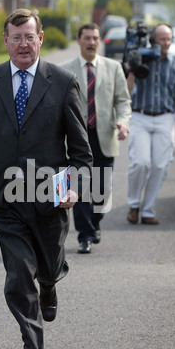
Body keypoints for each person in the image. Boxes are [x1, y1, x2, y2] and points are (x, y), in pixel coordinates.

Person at [0, 9, 93, 349]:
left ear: (41, 38)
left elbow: (81, 152)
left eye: (29, 37)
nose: (22, 44)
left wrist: (74, 188)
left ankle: (50, 284)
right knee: (18, 275)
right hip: (3, 201)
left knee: (46, 268)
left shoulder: (63, 82)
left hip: (50, 200)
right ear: (6, 41)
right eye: (15, 37)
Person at [62, 24, 131, 254]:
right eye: (87, 38)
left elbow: (123, 101)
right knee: (80, 187)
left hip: (104, 136)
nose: (92, 42)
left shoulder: (113, 68)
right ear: (79, 40)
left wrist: (123, 122)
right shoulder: (64, 70)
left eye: (95, 38)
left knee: (103, 189)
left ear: (100, 41)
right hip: (76, 137)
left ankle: (95, 222)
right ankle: (85, 235)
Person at [126, 23, 175, 225]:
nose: (166, 43)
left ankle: (147, 210)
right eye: (162, 39)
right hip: (140, 116)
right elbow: (127, 93)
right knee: (140, 162)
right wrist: (132, 69)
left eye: (169, 39)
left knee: (160, 165)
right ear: (153, 40)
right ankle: (134, 204)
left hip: (165, 118)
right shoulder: (141, 58)